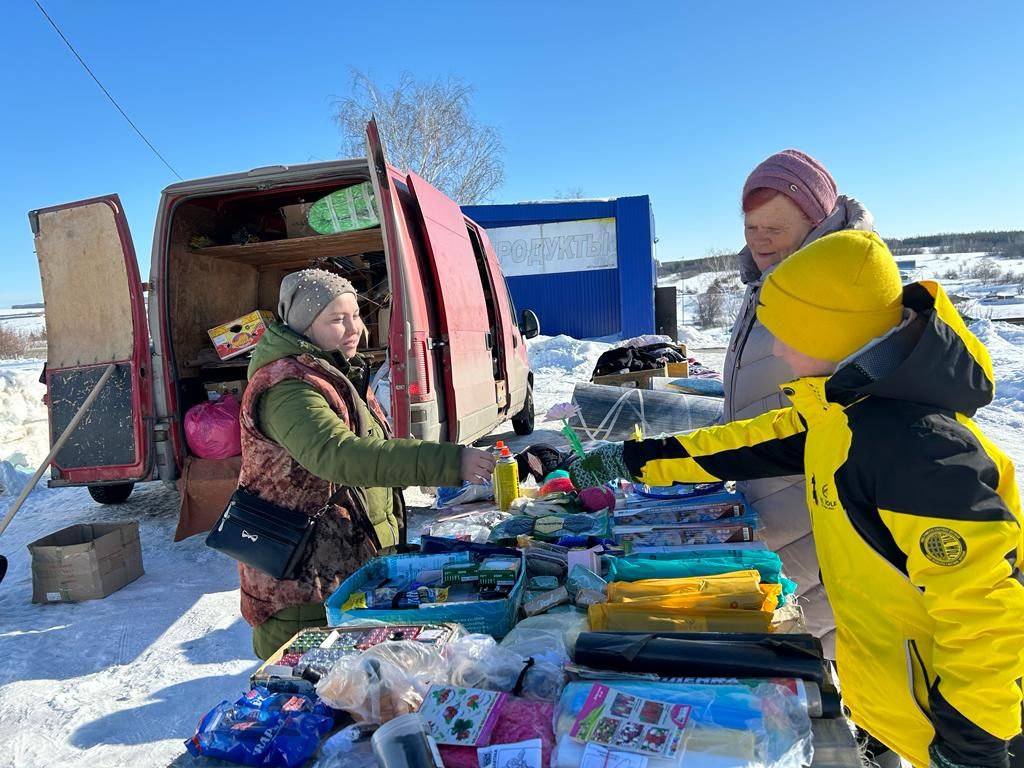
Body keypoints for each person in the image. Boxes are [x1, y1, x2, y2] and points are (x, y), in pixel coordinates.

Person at [580, 231, 1023, 767]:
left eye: (786, 334)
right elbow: (742, 444)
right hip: (915, 716)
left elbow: (986, 611)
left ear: (829, 332)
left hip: (978, 735)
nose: (779, 349)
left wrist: (975, 749)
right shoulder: (842, 413)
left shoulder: (918, 447)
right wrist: (633, 459)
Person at [238, 268, 496, 659]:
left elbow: (378, 446)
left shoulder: (333, 371)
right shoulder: (287, 388)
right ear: (305, 325)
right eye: (337, 319)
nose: (354, 328)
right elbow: (341, 455)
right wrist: (447, 461)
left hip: (341, 571)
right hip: (303, 586)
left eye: (356, 314)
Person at [722, 149, 876, 654]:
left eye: (776, 226)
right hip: (770, 504)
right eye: (751, 227)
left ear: (817, 221)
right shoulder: (768, 285)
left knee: (835, 653)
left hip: (819, 513)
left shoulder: (840, 289)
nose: (760, 239)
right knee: (805, 654)